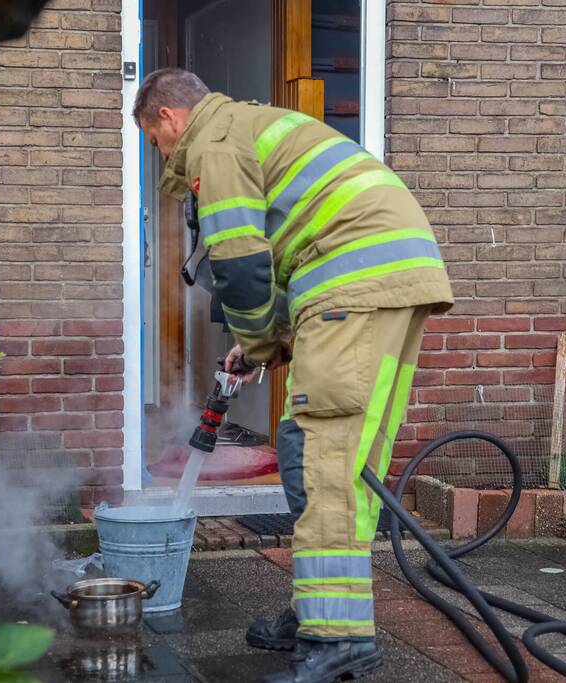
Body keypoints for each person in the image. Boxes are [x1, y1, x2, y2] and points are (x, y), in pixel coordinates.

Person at [134, 68, 453, 683]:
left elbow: (240, 263)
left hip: (353, 284)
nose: (163, 155)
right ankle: (320, 610)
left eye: (155, 140)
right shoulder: (246, 126)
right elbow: (295, 251)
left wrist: (257, 340)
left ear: (169, 118)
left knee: (319, 457)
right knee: (332, 454)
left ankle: (338, 640)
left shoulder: (214, 142)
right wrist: (268, 343)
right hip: (376, 279)